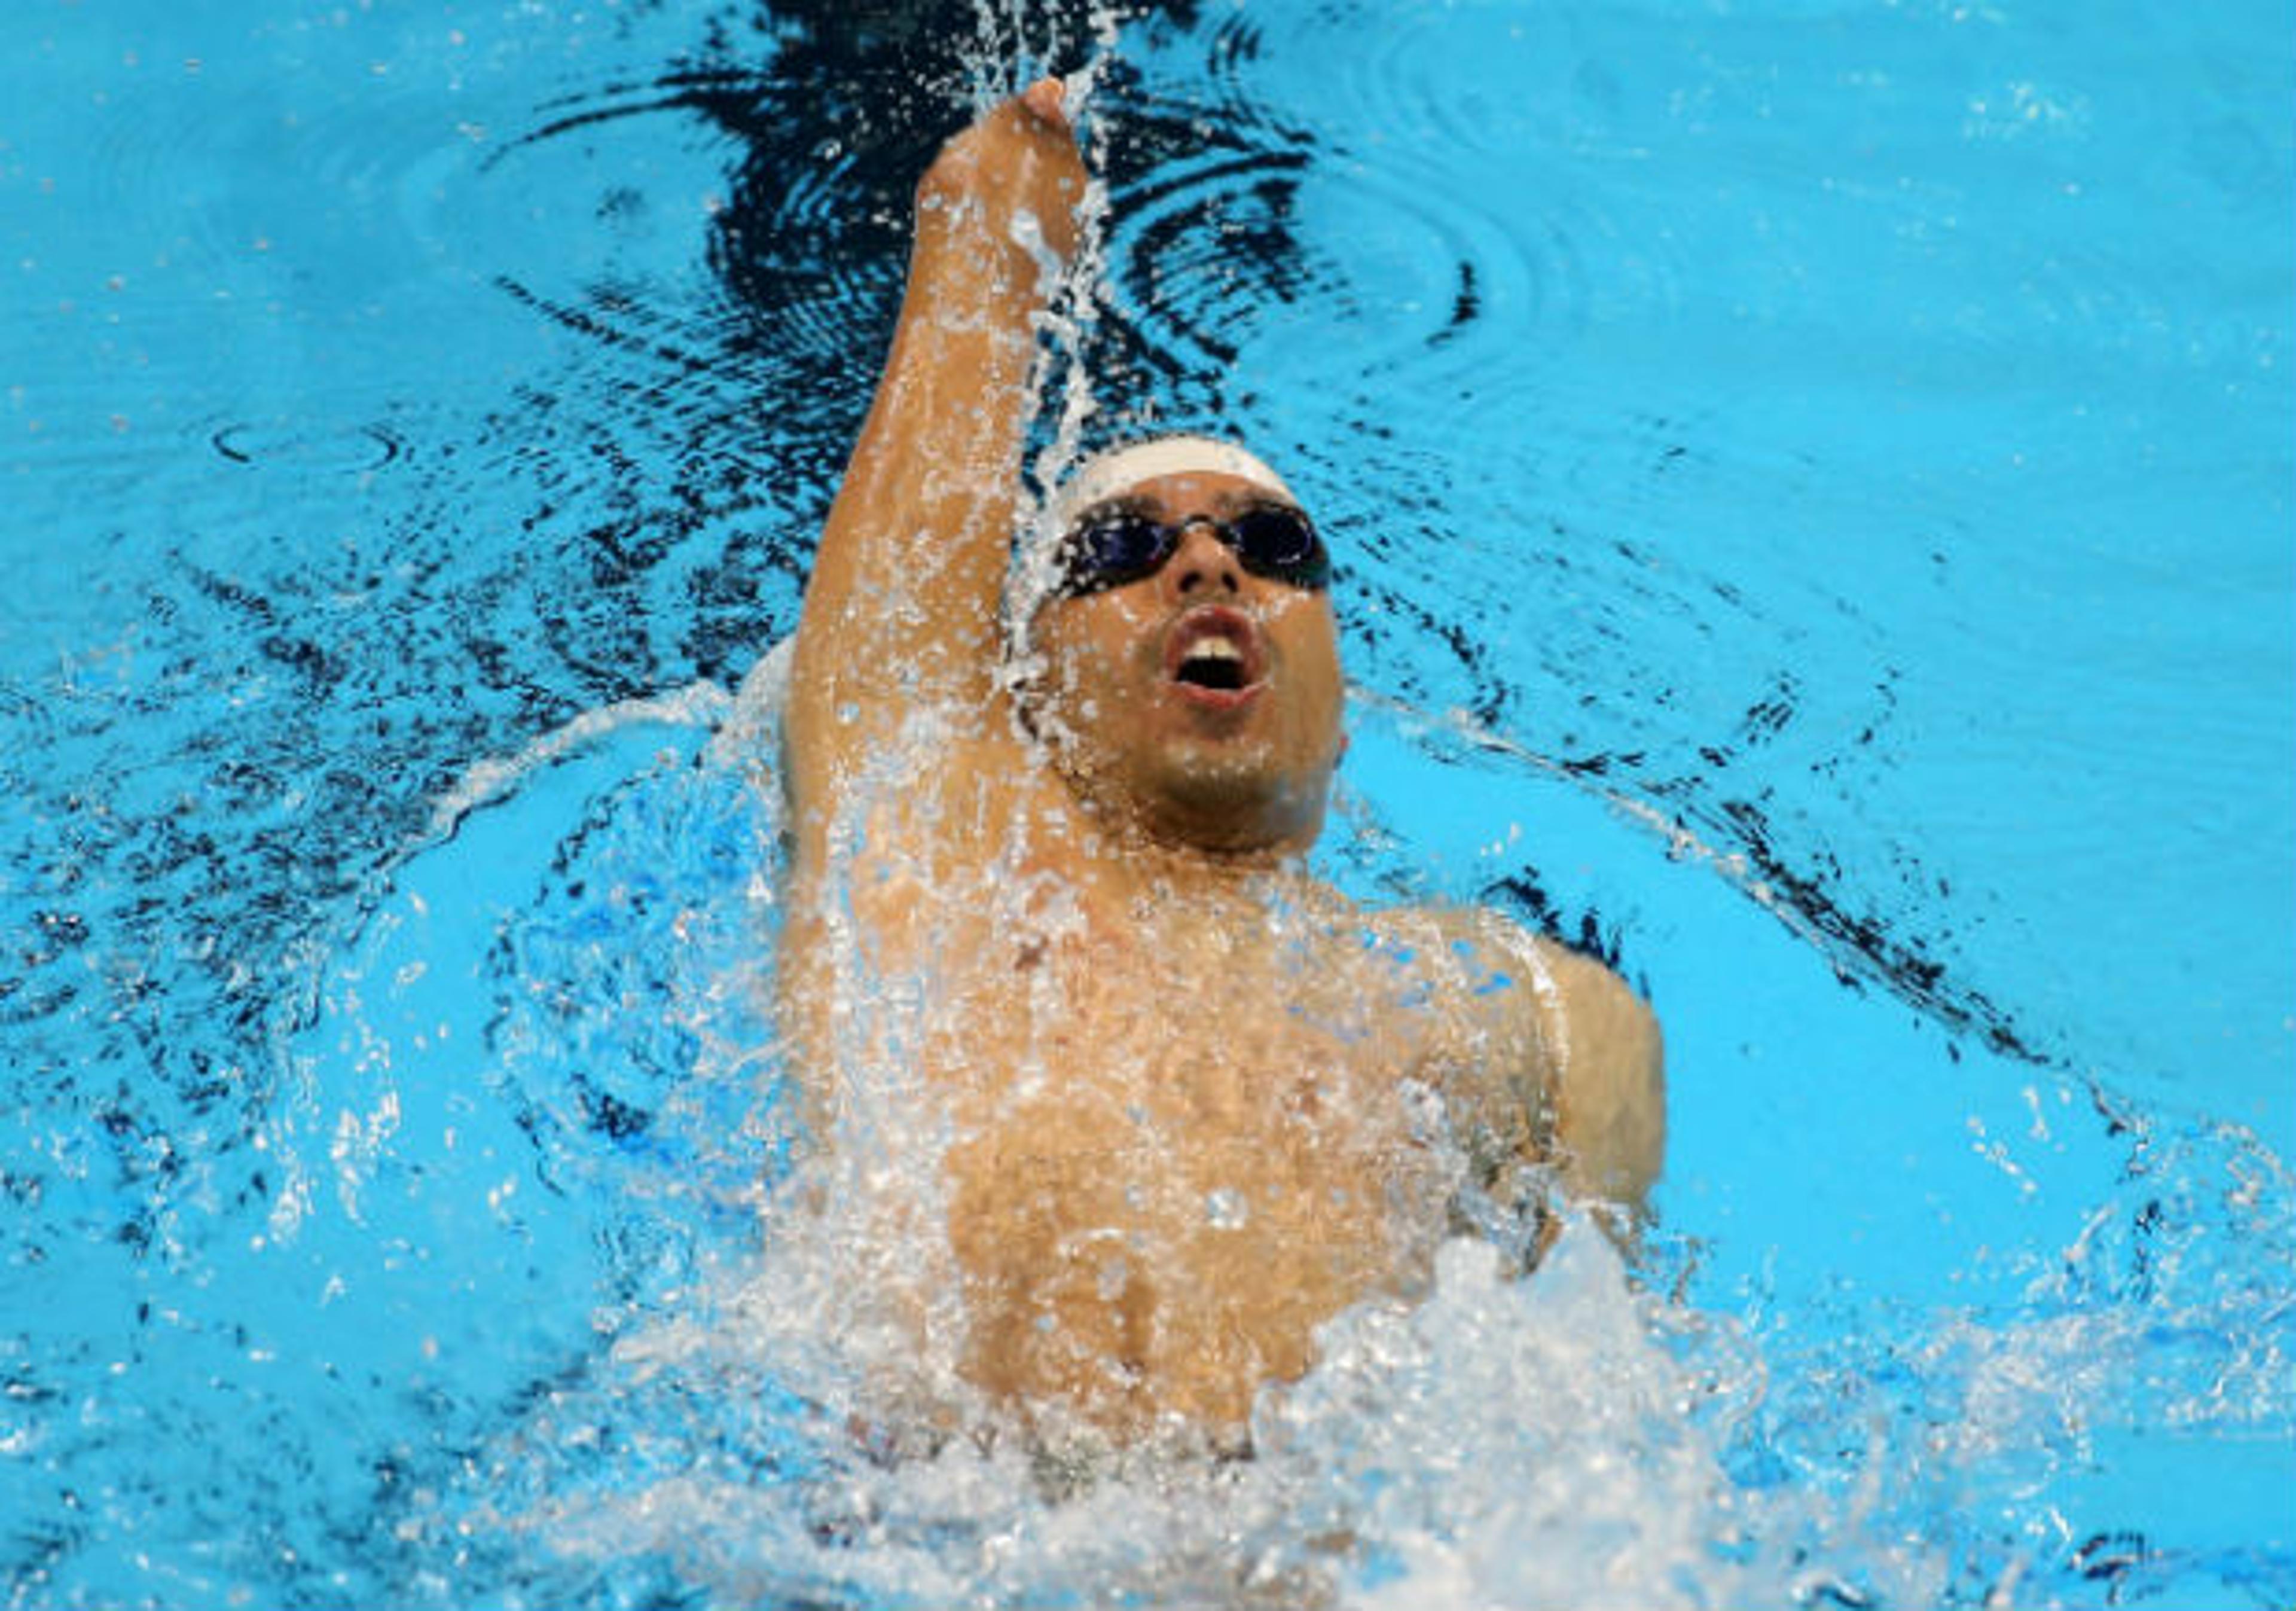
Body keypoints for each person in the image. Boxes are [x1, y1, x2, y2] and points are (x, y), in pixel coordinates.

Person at [765, 78, 1663, 1456]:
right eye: (1120, 553)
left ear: (1345, 709)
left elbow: (1595, 1436)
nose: (1207, 561)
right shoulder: (942, 847)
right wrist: (988, 230)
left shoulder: (1533, 1028)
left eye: (1272, 546)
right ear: (1026, 694)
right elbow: (899, 598)